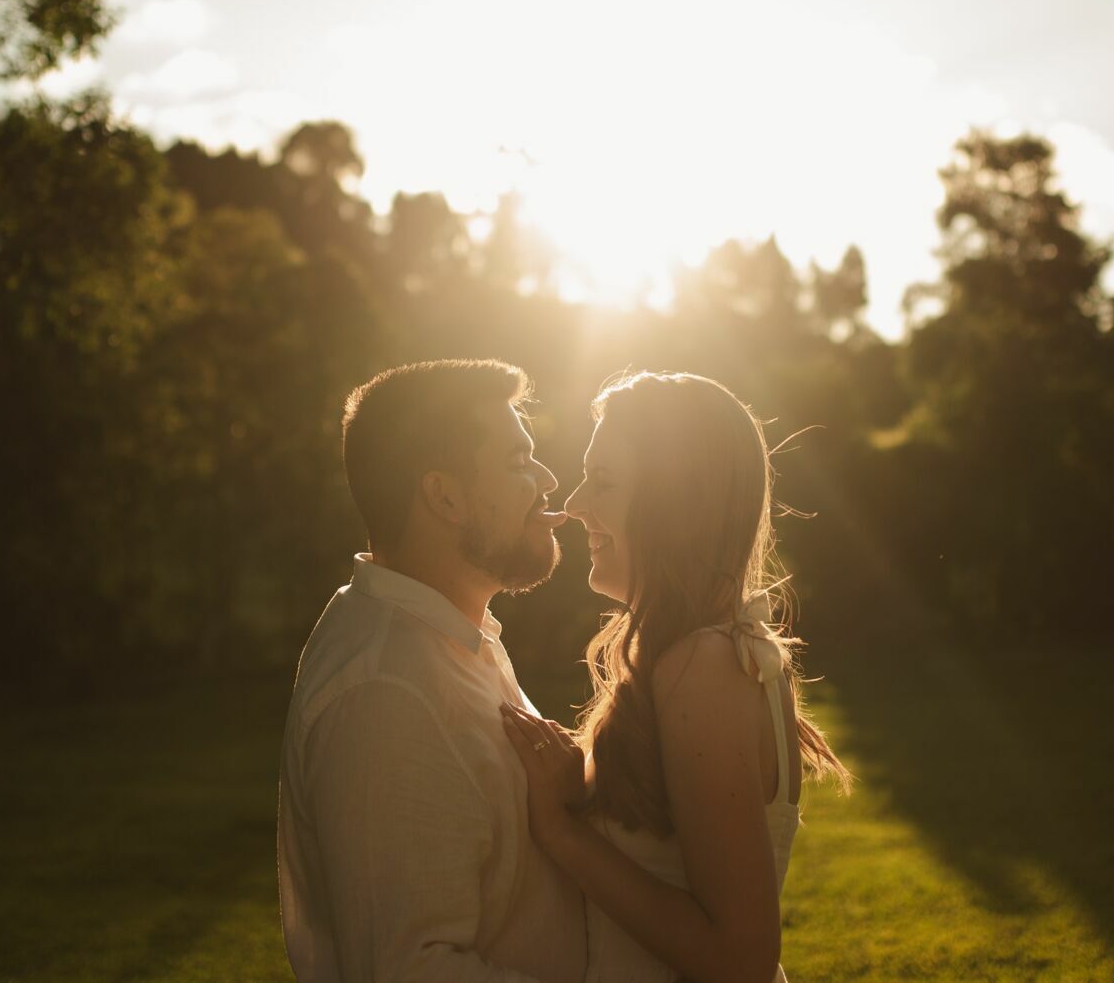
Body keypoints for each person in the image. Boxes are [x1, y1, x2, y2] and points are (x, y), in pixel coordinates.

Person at [500, 371, 850, 983]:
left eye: (603, 482)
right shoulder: (707, 655)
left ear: (675, 504)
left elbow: (741, 959)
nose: (576, 504)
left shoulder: (704, 667)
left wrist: (561, 833)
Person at [276, 358, 587, 982]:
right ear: (444, 495)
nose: (549, 479)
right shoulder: (382, 694)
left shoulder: (452, 637)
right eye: (517, 461)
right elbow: (408, 970)